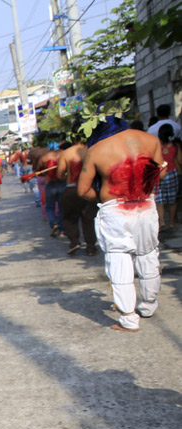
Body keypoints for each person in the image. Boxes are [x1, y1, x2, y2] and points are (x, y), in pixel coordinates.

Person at [78, 117, 167, 332]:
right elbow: (161, 171)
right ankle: (148, 305)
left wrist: (101, 198)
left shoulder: (97, 149)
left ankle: (128, 317)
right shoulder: (150, 140)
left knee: (119, 260)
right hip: (145, 204)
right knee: (148, 254)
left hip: (116, 209)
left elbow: (83, 190)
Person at [55, 133, 98, 256]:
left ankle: (74, 242)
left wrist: (70, 177)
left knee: (70, 218)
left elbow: (60, 175)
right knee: (89, 219)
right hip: (89, 189)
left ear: (73, 138)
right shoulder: (93, 151)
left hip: (71, 189)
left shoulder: (66, 153)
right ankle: (90, 246)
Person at [154, 124, 178, 232]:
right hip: (172, 172)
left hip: (159, 173)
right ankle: (172, 223)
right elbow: (180, 160)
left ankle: (162, 221)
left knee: (159, 199)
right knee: (172, 199)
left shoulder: (156, 145)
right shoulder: (175, 145)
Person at [40, 146, 64, 235]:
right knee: (62, 207)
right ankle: (62, 230)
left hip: (50, 183)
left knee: (50, 207)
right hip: (62, 182)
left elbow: (40, 171)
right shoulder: (63, 154)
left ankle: (53, 223)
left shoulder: (45, 157)